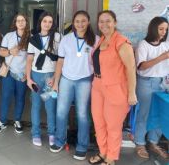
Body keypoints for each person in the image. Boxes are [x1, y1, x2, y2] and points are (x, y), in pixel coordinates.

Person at [89, 10, 137, 165]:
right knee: (98, 122)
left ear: (115, 23)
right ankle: (103, 152)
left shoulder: (122, 42)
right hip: (97, 86)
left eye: (108, 21)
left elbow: (131, 69)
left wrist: (131, 93)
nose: (104, 24)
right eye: (101, 21)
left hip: (115, 89)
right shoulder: (101, 40)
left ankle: (111, 158)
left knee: (113, 126)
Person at [49, 10, 98, 160]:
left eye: (83, 21)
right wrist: (56, 82)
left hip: (85, 80)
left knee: (82, 114)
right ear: (73, 23)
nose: (80, 24)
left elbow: (98, 63)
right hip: (67, 79)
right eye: (77, 21)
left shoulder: (96, 40)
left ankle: (82, 146)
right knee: (61, 111)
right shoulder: (66, 39)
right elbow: (60, 62)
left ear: (88, 22)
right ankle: (59, 141)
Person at [134, 17, 169, 159]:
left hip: (162, 83)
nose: (163, 32)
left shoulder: (166, 45)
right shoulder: (143, 44)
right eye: (161, 29)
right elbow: (141, 66)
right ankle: (140, 142)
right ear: (153, 28)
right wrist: (161, 58)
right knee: (144, 114)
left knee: (161, 113)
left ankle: (153, 142)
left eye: (166, 29)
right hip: (146, 83)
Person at [26, 12, 60, 146]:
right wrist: (29, 79)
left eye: (50, 22)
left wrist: (55, 77)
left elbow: (59, 60)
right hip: (36, 75)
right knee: (36, 106)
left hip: (50, 77)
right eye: (45, 21)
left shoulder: (57, 37)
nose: (47, 24)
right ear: (40, 22)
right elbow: (29, 60)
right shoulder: (33, 38)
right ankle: (36, 133)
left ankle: (52, 133)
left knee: (51, 107)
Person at [0, 14, 30, 134]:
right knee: (5, 97)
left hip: (22, 73)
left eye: (23, 20)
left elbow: (33, 58)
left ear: (26, 22)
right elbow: (1, 52)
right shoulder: (9, 36)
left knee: (20, 98)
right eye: (18, 20)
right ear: (15, 23)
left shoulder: (31, 37)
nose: (20, 22)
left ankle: (17, 120)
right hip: (9, 72)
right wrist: (10, 51)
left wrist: (28, 73)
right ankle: (2, 121)